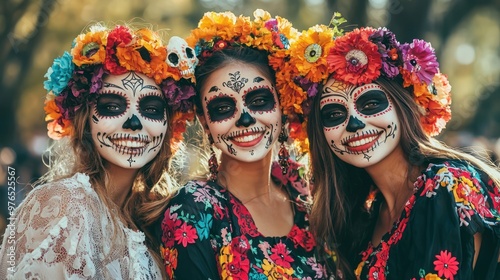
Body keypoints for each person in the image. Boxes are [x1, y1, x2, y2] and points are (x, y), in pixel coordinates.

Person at [278, 20, 500, 279]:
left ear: (401, 108)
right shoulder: (367, 218)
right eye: (334, 114)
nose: (354, 123)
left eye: (370, 103)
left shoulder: (447, 185)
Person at [0, 24, 196, 279]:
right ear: (86, 122)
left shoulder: (154, 219)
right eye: (112, 106)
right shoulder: (63, 204)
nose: (133, 123)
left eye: (150, 109)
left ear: (169, 126)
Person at [159, 10, 330, 279]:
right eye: (223, 107)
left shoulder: (309, 195)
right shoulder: (193, 209)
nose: (245, 118)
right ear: (205, 123)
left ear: (282, 105)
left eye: (260, 100)